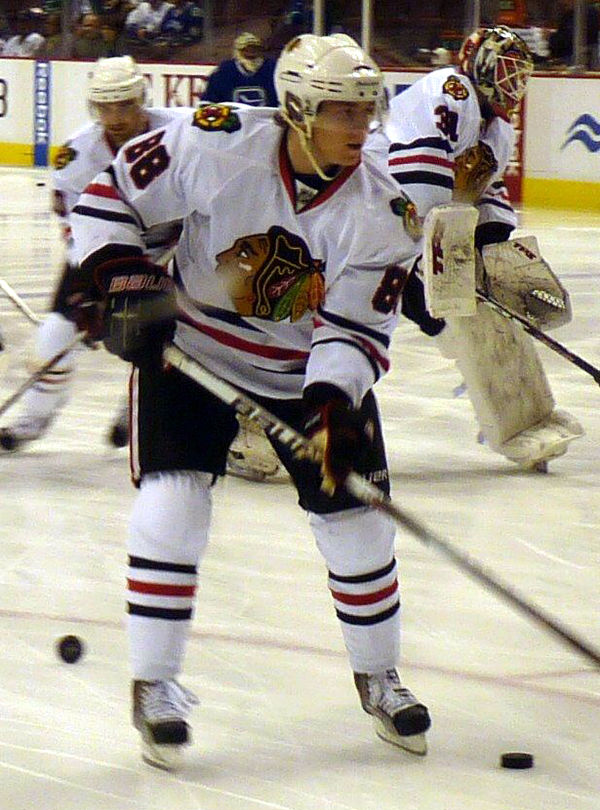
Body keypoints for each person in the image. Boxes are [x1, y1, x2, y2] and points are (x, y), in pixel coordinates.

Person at [70, 32, 432, 771]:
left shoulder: (383, 211)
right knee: (172, 506)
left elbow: (356, 325)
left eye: (367, 111)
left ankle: (379, 677)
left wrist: (333, 404)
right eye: (341, 112)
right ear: (297, 109)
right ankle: (157, 686)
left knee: (358, 525)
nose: (360, 127)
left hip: (304, 369)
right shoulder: (215, 143)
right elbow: (110, 199)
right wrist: (122, 277)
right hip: (193, 348)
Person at [384, 25, 583, 469]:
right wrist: (443, 249)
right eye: (509, 73)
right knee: (414, 296)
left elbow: (486, 197)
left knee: (470, 313)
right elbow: (422, 179)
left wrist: (494, 258)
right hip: (381, 204)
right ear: (482, 67)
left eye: (522, 77)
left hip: (414, 215)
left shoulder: (498, 130)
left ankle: (508, 410)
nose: (516, 87)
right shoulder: (452, 90)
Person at [0, 56, 186, 452]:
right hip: (101, 254)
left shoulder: (181, 133)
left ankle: (137, 411)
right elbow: (77, 230)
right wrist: (96, 288)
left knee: (162, 340)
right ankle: (33, 419)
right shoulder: (78, 156)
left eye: (125, 105)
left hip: (178, 252)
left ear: (142, 99)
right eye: (106, 106)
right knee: (53, 334)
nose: (115, 117)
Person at [202, 32, 278, 108]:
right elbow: (210, 100)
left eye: (255, 50)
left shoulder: (271, 69)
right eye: (246, 50)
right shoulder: (224, 71)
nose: (251, 54)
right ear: (237, 52)